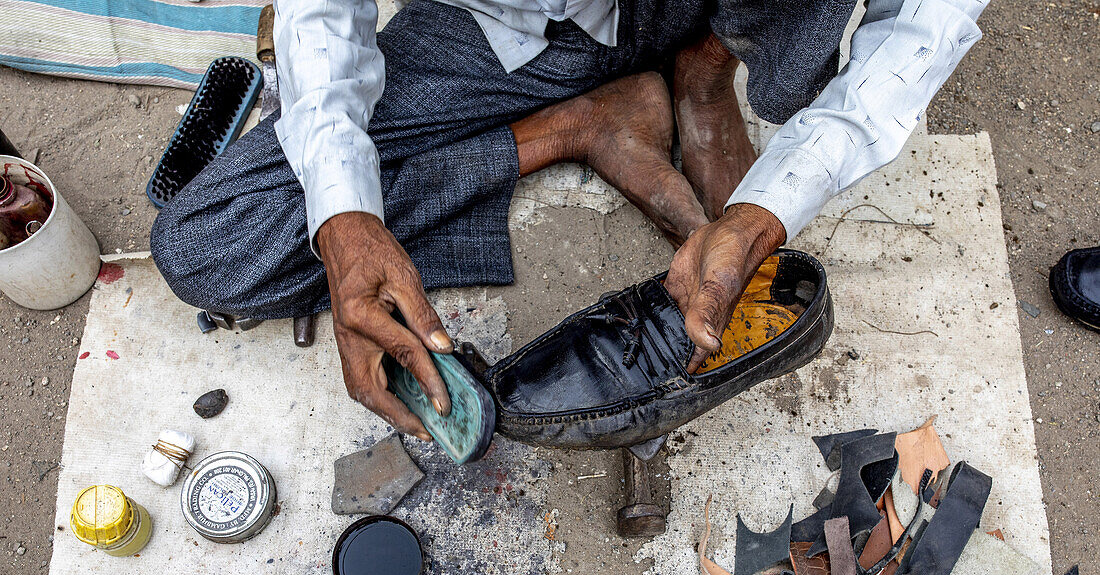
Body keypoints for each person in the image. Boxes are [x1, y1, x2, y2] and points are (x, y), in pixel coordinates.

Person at [150, 0, 986, 441]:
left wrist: (769, 207)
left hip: (724, 5)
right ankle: (582, 120)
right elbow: (322, 15)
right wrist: (346, 220)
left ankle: (705, 67)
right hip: (518, 33)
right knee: (210, 240)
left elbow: (927, 20)